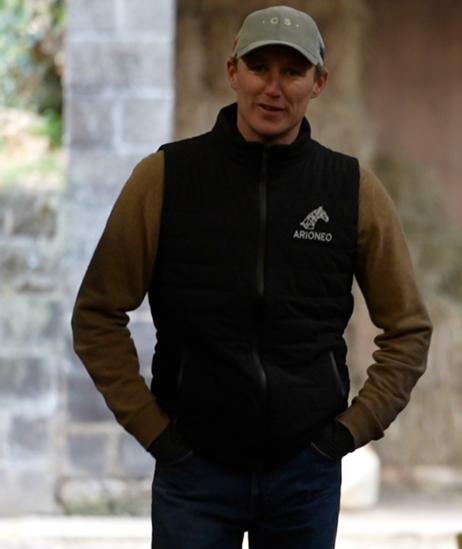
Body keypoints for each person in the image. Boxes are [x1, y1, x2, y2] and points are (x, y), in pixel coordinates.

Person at [71, 5, 432, 548]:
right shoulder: (166, 179)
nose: (274, 87)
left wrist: (348, 433)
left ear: (319, 83)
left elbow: (407, 329)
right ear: (232, 70)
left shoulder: (351, 190)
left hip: (304, 474)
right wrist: (154, 431)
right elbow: (98, 314)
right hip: (193, 470)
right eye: (260, 66)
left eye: (293, 71)